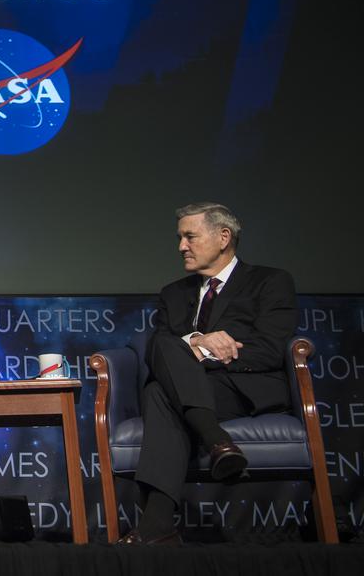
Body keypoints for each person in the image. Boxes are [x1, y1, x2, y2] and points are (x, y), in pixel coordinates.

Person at [118, 202, 297, 544]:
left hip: (241, 386)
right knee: (162, 347)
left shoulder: (270, 281)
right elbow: (162, 349)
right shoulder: (173, 293)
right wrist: (201, 341)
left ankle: (157, 524)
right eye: (180, 238)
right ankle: (217, 442)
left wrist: (200, 355)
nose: (181, 247)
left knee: (160, 391)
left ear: (223, 237)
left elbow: (271, 350)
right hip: (194, 389)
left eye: (190, 237)